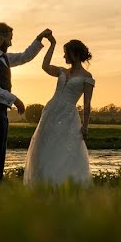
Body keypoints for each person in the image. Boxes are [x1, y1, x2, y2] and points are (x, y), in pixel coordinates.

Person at [0, 22, 51, 181]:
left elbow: (24, 57)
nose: (11, 43)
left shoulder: (3, 58)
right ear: (1, 38)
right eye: (9, 39)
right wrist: (14, 99)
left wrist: (39, 38)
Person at [23, 33, 95, 186]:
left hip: (68, 115)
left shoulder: (87, 77)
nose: (64, 57)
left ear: (74, 54)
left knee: (64, 149)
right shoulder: (62, 71)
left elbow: (87, 104)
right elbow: (45, 66)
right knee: (44, 146)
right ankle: (43, 183)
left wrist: (85, 126)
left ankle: (62, 183)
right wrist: (52, 45)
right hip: (50, 111)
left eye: (66, 53)